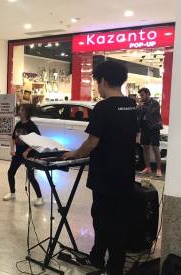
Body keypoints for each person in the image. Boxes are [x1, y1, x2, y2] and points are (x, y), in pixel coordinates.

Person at [63, 61, 138, 275]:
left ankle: (105, 264)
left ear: (103, 80)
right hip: (124, 174)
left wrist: (74, 154)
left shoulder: (103, 107)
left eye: (97, 82)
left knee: (102, 218)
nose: (97, 86)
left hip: (105, 175)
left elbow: (92, 142)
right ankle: (106, 260)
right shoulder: (131, 105)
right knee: (119, 220)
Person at [3, 104, 44, 206]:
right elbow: (13, 138)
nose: (19, 111)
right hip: (18, 154)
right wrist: (12, 149)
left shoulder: (32, 126)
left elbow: (38, 140)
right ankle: (12, 193)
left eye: (22, 110)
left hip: (29, 155)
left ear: (26, 112)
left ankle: (40, 197)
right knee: (10, 172)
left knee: (31, 176)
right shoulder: (18, 124)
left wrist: (28, 150)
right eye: (19, 109)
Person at [137, 88, 163, 177]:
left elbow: (150, 112)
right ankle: (148, 168)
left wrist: (141, 106)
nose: (141, 97)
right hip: (144, 129)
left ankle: (158, 169)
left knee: (156, 148)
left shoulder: (154, 103)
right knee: (145, 148)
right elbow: (138, 114)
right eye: (140, 95)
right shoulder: (142, 104)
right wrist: (139, 107)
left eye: (142, 95)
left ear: (148, 94)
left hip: (154, 128)